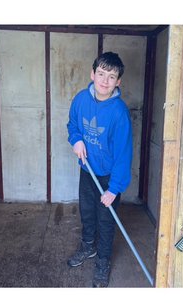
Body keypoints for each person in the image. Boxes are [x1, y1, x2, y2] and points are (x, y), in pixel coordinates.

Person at [65, 53, 133, 288]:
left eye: (111, 76)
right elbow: (73, 124)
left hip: (108, 177)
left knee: (106, 220)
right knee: (87, 212)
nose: (104, 81)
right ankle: (88, 247)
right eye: (101, 74)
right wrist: (76, 140)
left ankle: (103, 261)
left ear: (118, 82)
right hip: (87, 171)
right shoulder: (81, 100)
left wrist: (113, 190)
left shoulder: (119, 113)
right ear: (92, 74)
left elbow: (124, 155)